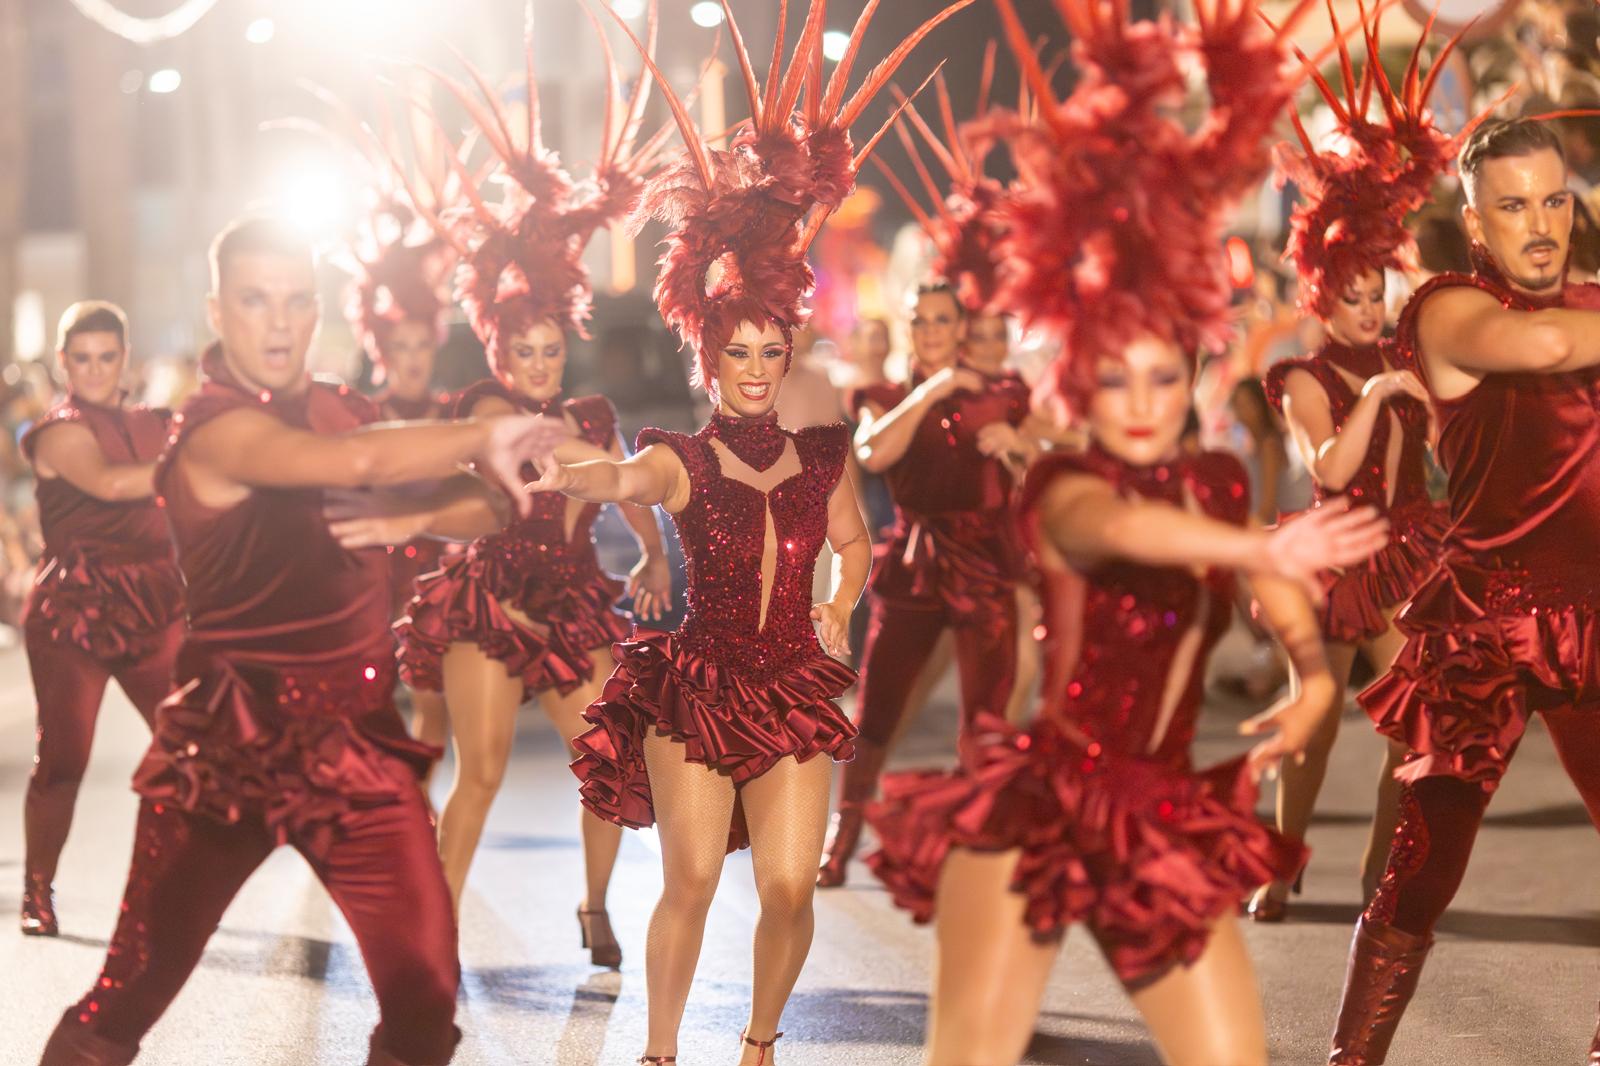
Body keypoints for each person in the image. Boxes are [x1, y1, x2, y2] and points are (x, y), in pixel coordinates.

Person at [863, 1, 1388, 1062]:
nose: (1142, 399)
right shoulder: (1063, 482)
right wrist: (1256, 552)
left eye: (1164, 374)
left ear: (1193, 375)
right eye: (1115, 376)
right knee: (969, 1051)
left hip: (1159, 812)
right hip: (1040, 802)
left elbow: (1282, 606)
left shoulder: (1213, 482)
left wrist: (1317, 681)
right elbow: (1120, 529)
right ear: (1078, 379)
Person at [36, 216, 560, 1066]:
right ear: (218, 310)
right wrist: (474, 435)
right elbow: (348, 463)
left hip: (356, 742)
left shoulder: (343, 410)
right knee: (127, 996)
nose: (278, 323)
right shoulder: (210, 429)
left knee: (428, 1001)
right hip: (227, 754)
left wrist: (419, 512)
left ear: (317, 313)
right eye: (254, 301)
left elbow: (490, 504)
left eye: (296, 302)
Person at [558, 3, 966, 1061]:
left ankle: (759, 1038)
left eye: (769, 351)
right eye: (736, 352)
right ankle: (656, 1048)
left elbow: (854, 542)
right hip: (697, 680)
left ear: (786, 353)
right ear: (711, 358)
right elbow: (625, 475)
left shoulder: (823, 451)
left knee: (790, 882)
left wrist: (836, 604)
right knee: (692, 878)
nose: (753, 367)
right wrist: (584, 472)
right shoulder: (685, 457)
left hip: (791, 674)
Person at [387, 31, 670, 964]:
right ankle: (436, 926)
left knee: (607, 764)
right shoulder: (486, 406)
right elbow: (561, 459)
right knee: (484, 773)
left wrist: (658, 547)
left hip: (578, 605)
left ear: (567, 349)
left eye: (553, 350)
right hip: (490, 604)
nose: (540, 365)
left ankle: (594, 908)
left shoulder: (590, 408)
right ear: (501, 353)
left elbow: (619, 480)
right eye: (525, 352)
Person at [1328, 117, 1600, 1065]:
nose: (1541, 224)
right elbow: (1544, 350)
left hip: (1595, 617)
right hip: (1482, 624)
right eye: (1515, 205)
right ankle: (1352, 1058)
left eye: (1556, 200)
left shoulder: (1593, 302)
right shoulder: (1445, 308)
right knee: (1426, 861)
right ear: (1477, 223)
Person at [1246, 15, 1477, 920]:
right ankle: (1280, 861)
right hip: (1335, 552)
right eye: (1349, 294)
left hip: (1407, 550)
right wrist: (1380, 397)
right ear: (1321, 290)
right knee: (1311, 730)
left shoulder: (1407, 354)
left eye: (1374, 292)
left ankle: (1384, 870)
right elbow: (1329, 466)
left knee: (1413, 728)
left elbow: (1450, 449)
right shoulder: (1306, 375)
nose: (1364, 306)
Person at [815, 277, 1034, 887]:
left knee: (986, 717)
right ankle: (844, 836)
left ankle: (982, 842)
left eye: (943, 319)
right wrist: (935, 388)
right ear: (909, 328)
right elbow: (872, 453)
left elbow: (1049, 456)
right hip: (913, 562)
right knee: (876, 712)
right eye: (921, 320)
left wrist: (1022, 445)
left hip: (986, 562)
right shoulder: (880, 392)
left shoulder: (1005, 392)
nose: (932, 330)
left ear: (961, 327)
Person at [18, 301, 184, 938]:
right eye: (80, 359)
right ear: (63, 363)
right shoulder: (56, 431)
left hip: (153, 603)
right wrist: (196, 462)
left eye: (105, 357)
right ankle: (37, 891)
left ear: (125, 359)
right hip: (73, 615)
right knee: (64, 760)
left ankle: (174, 884)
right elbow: (113, 485)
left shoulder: (155, 423)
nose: (93, 370)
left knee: (189, 746)